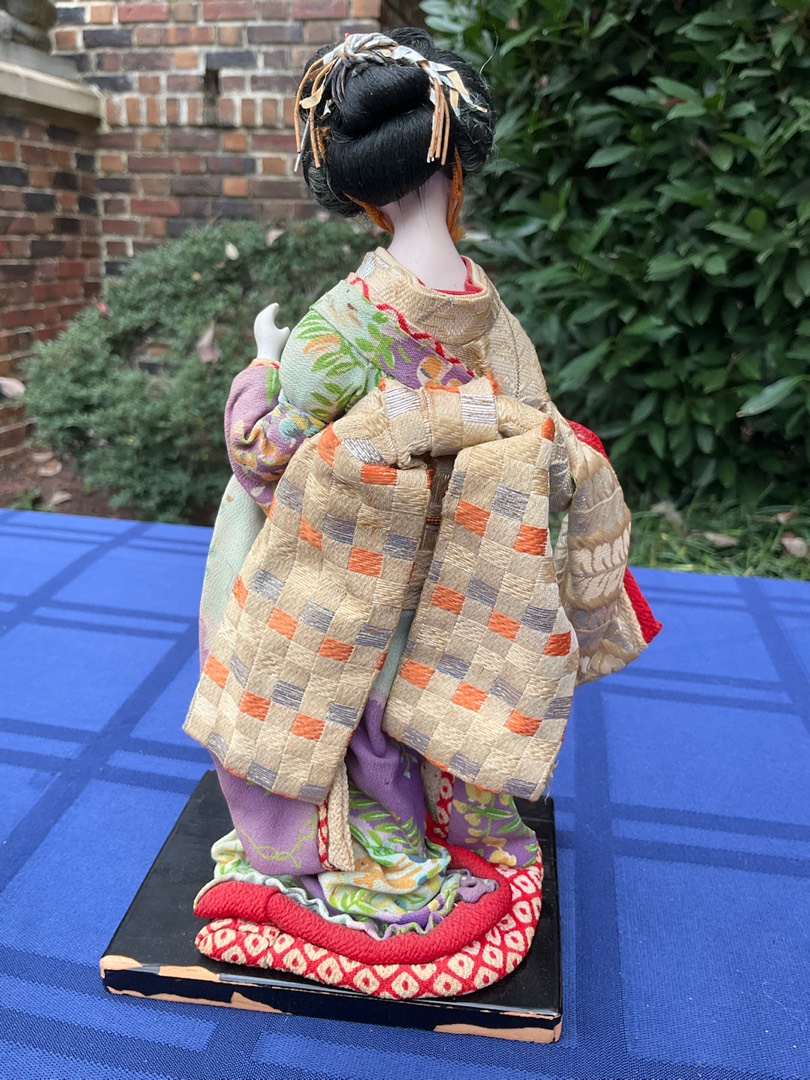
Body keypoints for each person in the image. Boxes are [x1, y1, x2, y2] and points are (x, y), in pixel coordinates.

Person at [183, 28, 660, 1000]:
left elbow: (265, 456)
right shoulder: (484, 303)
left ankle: (346, 844)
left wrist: (261, 365)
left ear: (356, 184)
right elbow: (530, 419)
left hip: (357, 562)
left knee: (320, 687)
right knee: (411, 704)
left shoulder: (346, 318)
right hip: (465, 562)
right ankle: (445, 816)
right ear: (456, 159)